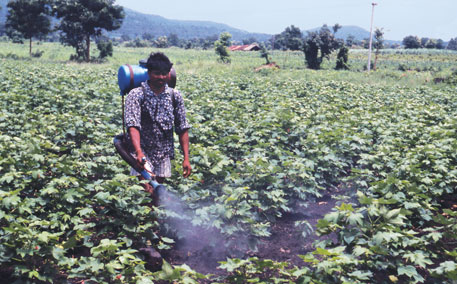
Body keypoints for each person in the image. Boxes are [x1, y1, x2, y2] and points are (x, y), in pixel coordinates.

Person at [124, 52, 191, 198]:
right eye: (156, 73)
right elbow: (133, 126)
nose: (161, 77)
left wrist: (186, 158)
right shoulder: (136, 95)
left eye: (164, 74)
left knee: (158, 192)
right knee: (146, 189)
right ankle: (143, 219)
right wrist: (138, 152)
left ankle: (154, 218)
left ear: (169, 74)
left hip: (164, 153)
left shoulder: (174, 96)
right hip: (142, 151)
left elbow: (183, 127)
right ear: (148, 73)